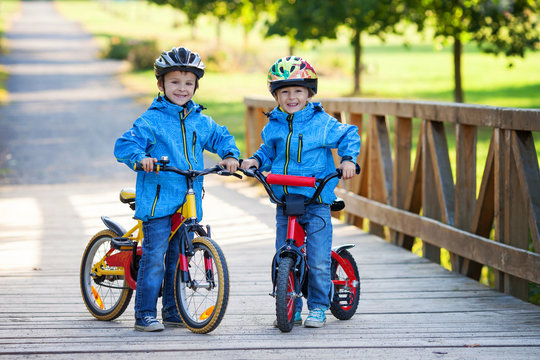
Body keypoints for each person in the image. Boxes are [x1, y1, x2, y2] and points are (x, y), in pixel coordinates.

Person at [114, 46, 240, 332]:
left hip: (189, 199)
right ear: (161, 84)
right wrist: (140, 158)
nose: (182, 89)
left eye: (188, 83)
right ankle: (144, 314)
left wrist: (230, 155)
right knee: (155, 257)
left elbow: (221, 137)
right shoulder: (151, 120)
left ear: (196, 86)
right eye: (174, 82)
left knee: (177, 257)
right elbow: (125, 144)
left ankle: (172, 312)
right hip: (159, 201)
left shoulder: (200, 120)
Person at [241, 56, 360, 328]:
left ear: (309, 93)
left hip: (315, 200)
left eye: (298, 90)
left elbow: (348, 134)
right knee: (283, 255)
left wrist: (348, 159)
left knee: (317, 260)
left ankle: (318, 307)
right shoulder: (274, 124)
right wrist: (256, 161)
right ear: (276, 95)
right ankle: (289, 305)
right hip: (285, 201)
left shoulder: (322, 123)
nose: (291, 97)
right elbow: (267, 151)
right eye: (284, 91)